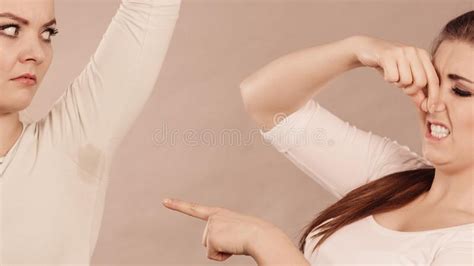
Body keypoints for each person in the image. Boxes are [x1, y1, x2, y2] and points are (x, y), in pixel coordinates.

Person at [163, 10, 474, 265]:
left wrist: (263, 242)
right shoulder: (392, 176)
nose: (431, 103)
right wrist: (358, 49)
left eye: (461, 91)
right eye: (433, 81)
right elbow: (265, 101)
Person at [0, 0, 181, 264]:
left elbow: (150, 7)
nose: (37, 53)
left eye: (47, 34)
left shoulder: (69, 145)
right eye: (11, 29)